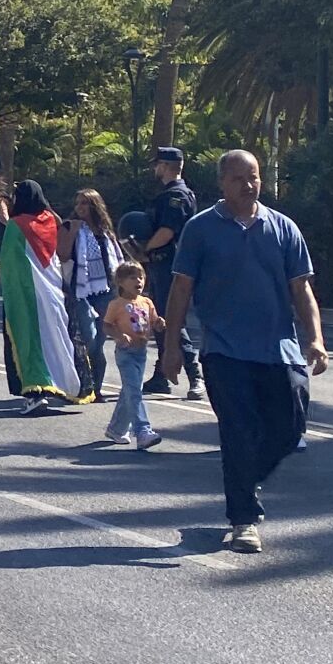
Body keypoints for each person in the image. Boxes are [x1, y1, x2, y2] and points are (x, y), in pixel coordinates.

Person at [159, 149, 326, 554]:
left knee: (289, 431)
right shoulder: (201, 230)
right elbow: (181, 289)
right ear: (222, 183)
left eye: (254, 177)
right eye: (238, 178)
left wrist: (315, 338)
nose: (248, 185)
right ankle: (243, 520)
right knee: (237, 433)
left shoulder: (283, 227)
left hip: (279, 349)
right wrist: (171, 348)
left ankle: (246, 481)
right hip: (224, 350)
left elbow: (301, 287)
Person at [0, 180, 71, 414]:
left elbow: (10, 264)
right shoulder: (49, 221)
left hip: (26, 295)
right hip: (52, 293)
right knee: (54, 337)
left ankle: (34, 392)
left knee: (27, 341)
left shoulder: (16, 225)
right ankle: (62, 383)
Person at [141, 146, 203, 399]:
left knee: (170, 319)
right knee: (159, 318)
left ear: (166, 166)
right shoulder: (171, 194)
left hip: (170, 264)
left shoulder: (175, 196)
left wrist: (144, 248)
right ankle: (161, 375)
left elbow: (167, 231)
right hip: (162, 264)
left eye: (158, 164)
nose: (155, 169)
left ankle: (194, 374)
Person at [59, 188, 122, 402]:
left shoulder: (105, 231)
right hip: (80, 289)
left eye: (85, 203)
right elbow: (62, 254)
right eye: (77, 203)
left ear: (95, 206)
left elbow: (116, 260)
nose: (80, 208)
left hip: (106, 290)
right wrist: (72, 232)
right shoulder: (71, 226)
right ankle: (81, 382)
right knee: (89, 338)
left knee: (101, 340)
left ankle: (96, 388)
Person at [101, 262, 163, 451]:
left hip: (141, 353)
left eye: (141, 277)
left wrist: (160, 323)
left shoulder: (146, 302)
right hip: (125, 353)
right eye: (133, 277)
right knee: (134, 391)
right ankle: (142, 431)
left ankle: (116, 429)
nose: (139, 281)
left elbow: (154, 321)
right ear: (120, 282)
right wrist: (119, 336)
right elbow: (107, 325)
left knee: (129, 391)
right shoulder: (116, 305)